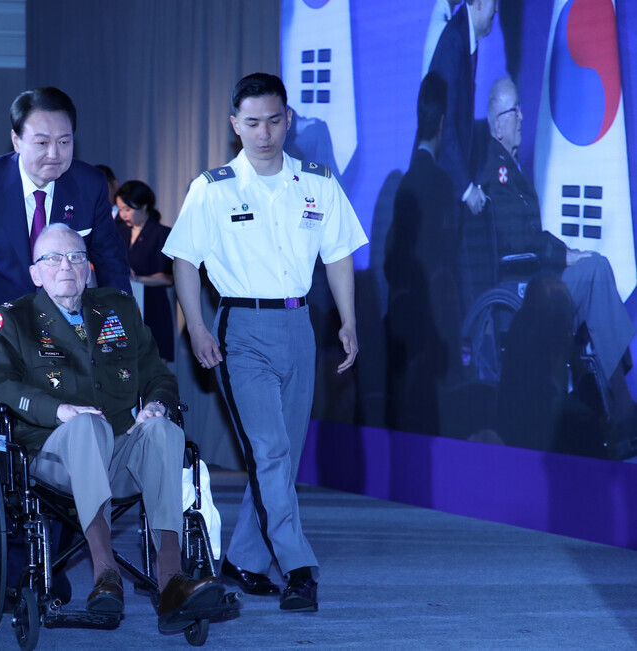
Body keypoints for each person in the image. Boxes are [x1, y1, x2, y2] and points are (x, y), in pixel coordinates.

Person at [163, 73, 367, 612]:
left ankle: (244, 560)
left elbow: (339, 254)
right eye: (252, 122)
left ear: (288, 120)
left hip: (299, 327)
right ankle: (299, 566)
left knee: (280, 456)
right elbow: (184, 259)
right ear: (235, 125)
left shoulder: (318, 183)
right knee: (271, 451)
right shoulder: (214, 187)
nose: (264, 133)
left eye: (274, 120)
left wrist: (348, 320)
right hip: (242, 329)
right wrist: (198, 325)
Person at [0, 223, 226, 631]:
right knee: (85, 428)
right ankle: (105, 573)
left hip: (120, 453)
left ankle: (171, 580)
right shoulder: (16, 319)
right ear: (35, 273)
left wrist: (155, 406)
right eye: (54, 258)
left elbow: (159, 376)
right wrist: (59, 410)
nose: (67, 266)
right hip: (53, 456)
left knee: (163, 432)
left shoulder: (118, 308)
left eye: (77, 257)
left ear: (89, 268)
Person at [0, 86, 130, 435]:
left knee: (72, 440)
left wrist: (118, 326)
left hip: (65, 340)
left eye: (64, 141)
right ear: (16, 141)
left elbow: (112, 263)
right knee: (0, 446)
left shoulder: (89, 185)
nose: (55, 154)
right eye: (42, 142)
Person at [480, 76, 636, 432]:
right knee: (595, 270)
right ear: (497, 123)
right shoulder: (497, 170)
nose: (521, 116)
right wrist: (564, 257)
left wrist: (568, 250)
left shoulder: (511, 166)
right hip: (523, 288)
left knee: (596, 263)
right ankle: (620, 401)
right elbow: (517, 236)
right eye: (513, 110)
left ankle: (610, 400)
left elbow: (533, 233)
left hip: (539, 278)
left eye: (520, 108)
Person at [385, 72, 460, 435]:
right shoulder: (444, 185)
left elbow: (390, 260)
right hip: (435, 328)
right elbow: (449, 262)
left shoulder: (403, 183)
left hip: (401, 323)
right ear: (443, 123)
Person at [428, 0, 497, 216]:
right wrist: (467, 189)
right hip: (440, 192)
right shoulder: (454, 42)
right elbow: (444, 124)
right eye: (494, 3)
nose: (496, 9)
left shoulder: (464, 38)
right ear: (479, 3)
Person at [115, 180, 175, 361]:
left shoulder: (161, 233)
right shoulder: (120, 233)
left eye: (127, 209)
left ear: (144, 206)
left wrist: (138, 278)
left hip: (153, 306)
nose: (123, 214)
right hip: (126, 309)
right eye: (120, 209)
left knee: (155, 367)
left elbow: (169, 278)